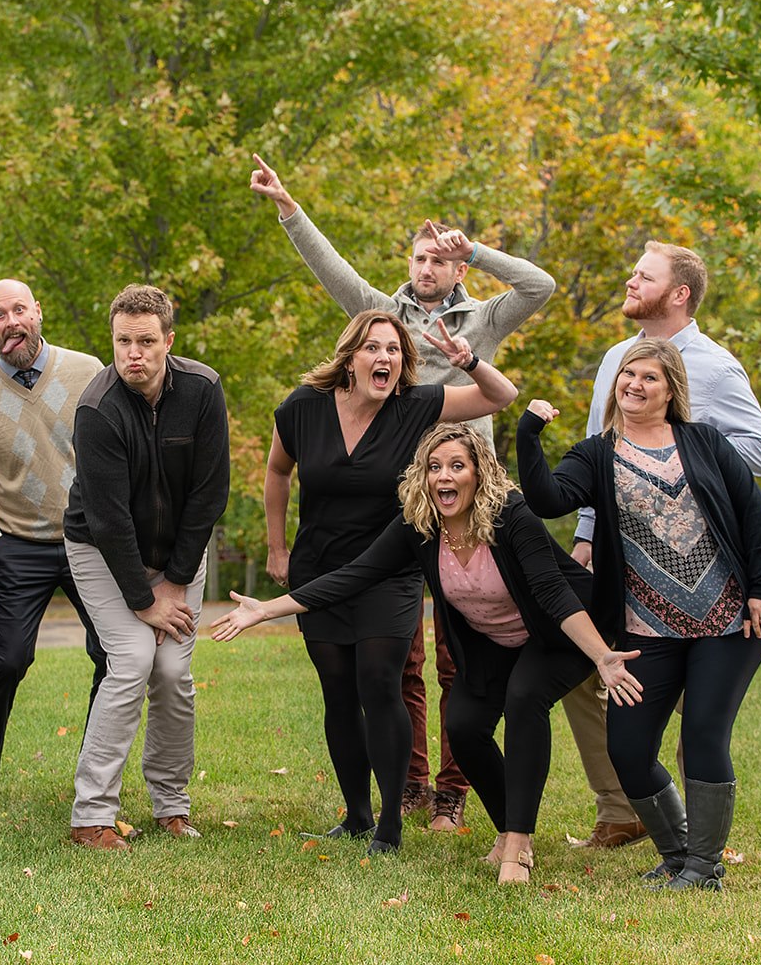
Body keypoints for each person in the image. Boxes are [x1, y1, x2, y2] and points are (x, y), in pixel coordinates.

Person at [250, 152, 555, 830]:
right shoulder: (380, 316)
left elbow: (540, 287)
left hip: (462, 505)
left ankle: (452, 790)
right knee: (397, 667)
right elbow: (329, 266)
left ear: (458, 269)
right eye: (420, 257)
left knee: (458, 657)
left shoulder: (483, 321)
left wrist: (476, 251)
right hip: (394, 510)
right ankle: (408, 786)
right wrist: (288, 206)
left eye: (441, 260)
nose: (427, 268)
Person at [214, 423, 642, 883]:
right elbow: (354, 575)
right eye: (434, 467)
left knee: (525, 698)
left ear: (479, 473)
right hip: (493, 642)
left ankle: (518, 844)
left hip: (562, 632)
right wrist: (266, 610)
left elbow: (552, 593)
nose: (444, 477)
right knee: (464, 727)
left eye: (457, 466)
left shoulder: (511, 515)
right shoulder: (420, 526)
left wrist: (601, 655)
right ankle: (508, 827)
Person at [517, 337, 761, 891]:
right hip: (646, 629)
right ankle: (679, 855)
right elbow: (548, 500)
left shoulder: (705, 441)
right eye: (628, 374)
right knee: (629, 749)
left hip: (728, 621)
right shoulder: (596, 453)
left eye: (649, 377)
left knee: (704, 734)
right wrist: (528, 434)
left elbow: (753, 514)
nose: (634, 384)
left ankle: (704, 867)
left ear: (671, 389)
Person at [262, 311, 517, 855]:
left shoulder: (416, 405)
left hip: (390, 570)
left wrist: (468, 360)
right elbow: (278, 471)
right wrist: (277, 546)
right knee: (338, 693)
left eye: (394, 350)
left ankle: (390, 825)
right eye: (373, 348)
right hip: (319, 569)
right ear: (350, 357)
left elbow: (501, 396)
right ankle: (357, 815)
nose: (385, 358)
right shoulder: (303, 407)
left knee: (380, 682)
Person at [562, 241, 761, 850]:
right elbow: (599, 452)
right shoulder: (616, 357)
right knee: (598, 680)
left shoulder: (715, 368)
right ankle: (626, 814)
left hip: (708, 574)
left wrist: (683, 453)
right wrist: (586, 534)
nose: (630, 281)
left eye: (644, 276)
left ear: (679, 293)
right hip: (626, 565)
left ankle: (702, 851)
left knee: (702, 721)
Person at [63, 284, 229, 850]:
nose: (133, 354)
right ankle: (91, 816)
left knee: (173, 673)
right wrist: (144, 600)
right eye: (123, 342)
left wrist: (176, 582)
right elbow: (108, 520)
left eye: (146, 342)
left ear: (168, 341)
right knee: (133, 659)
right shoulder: (97, 408)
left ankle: (172, 806)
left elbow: (210, 493)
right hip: (102, 551)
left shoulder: (203, 390)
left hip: (180, 553)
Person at [0, 279, 108, 805]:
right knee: (8, 661)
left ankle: (95, 773)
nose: (11, 321)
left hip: (91, 540)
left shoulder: (89, 372)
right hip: (17, 544)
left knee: (112, 655)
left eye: (19, 309)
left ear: (37, 312)